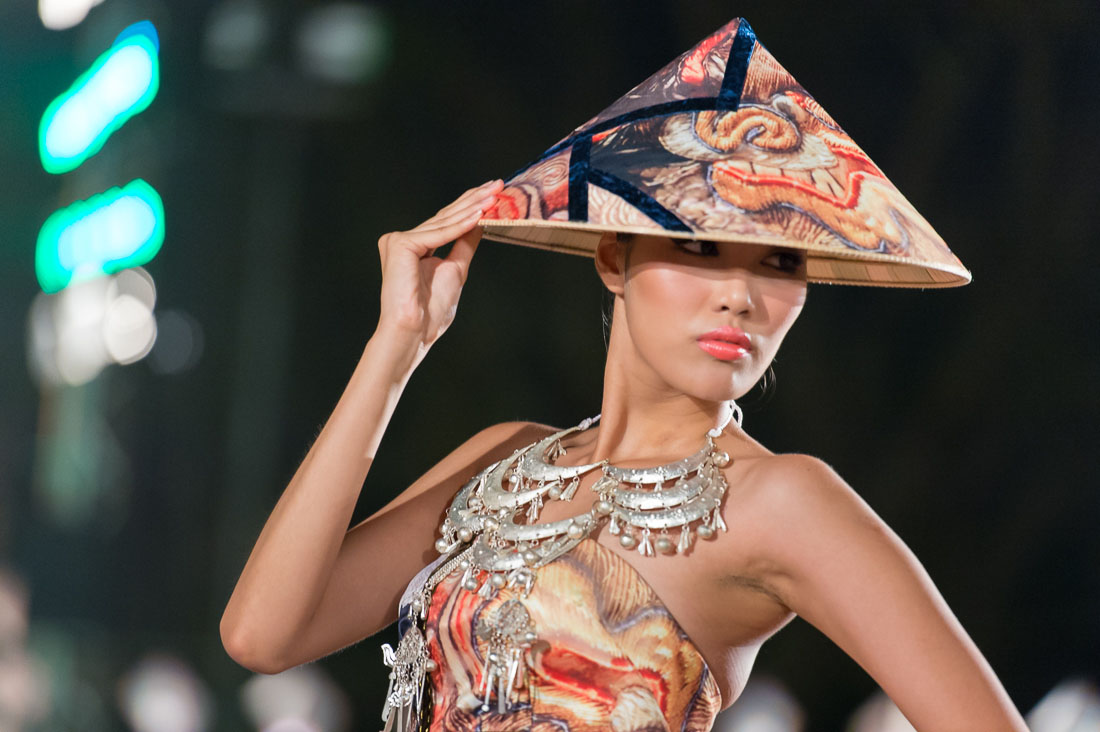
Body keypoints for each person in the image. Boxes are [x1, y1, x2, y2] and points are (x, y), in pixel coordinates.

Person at [220, 18, 1027, 732]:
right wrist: (397, 346)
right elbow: (263, 635)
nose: (741, 297)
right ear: (614, 255)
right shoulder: (504, 461)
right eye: (700, 247)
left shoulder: (784, 504)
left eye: (780, 261)